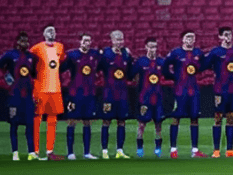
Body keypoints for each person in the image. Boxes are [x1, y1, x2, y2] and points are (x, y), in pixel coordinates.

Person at [164, 30, 208, 159]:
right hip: (180, 90)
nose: (190, 40)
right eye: (187, 37)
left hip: (194, 90)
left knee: (194, 118)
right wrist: (173, 77)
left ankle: (195, 150)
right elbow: (166, 67)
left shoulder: (198, 53)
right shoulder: (176, 53)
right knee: (176, 118)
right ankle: (173, 149)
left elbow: (203, 65)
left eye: (192, 37)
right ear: (182, 39)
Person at [0, 32, 38, 161]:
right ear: (17, 42)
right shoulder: (10, 55)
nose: (24, 43)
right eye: (22, 41)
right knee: (14, 125)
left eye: (26, 41)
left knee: (30, 125)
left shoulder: (32, 57)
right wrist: (7, 79)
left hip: (27, 97)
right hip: (14, 96)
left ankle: (31, 152)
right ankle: (15, 152)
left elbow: (34, 75)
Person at [204, 26, 233, 158]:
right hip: (220, 90)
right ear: (220, 37)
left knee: (231, 118)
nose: (228, 37)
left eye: (230, 34)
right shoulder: (215, 52)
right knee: (218, 118)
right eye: (225, 34)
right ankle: (216, 150)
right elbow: (205, 64)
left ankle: (230, 150)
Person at [29, 25, 66, 160]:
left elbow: (60, 62)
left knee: (52, 120)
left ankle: (50, 151)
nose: (51, 33)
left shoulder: (60, 47)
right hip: (40, 89)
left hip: (55, 89)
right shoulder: (36, 48)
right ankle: (35, 151)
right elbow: (28, 64)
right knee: (37, 119)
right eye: (48, 31)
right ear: (44, 33)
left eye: (53, 31)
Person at [61, 33, 100, 160]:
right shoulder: (72, 55)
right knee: (72, 122)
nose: (87, 43)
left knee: (87, 122)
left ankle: (87, 152)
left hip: (89, 94)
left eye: (89, 40)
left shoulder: (94, 55)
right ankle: (70, 152)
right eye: (84, 40)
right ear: (80, 42)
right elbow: (61, 68)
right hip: (74, 93)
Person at [98, 30, 133, 159]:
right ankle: (105, 150)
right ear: (112, 40)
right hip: (108, 94)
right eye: (117, 39)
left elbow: (130, 73)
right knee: (106, 121)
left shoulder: (126, 54)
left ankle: (120, 150)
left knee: (122, 121)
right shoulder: (106, 53)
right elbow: (97, 68)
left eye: (121, 39)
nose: (119, 42)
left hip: (122, 94)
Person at [131, 36, 166, 157]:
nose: (153, 49)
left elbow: (168, 75)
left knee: (158, 125)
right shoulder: (141, 61)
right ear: (146, 47)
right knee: (141, 124)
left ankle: (158, 149)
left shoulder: (161, 61)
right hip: (144, 98)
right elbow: (131, 74)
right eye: (150, 47)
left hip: (158, 98)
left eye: (155, 47)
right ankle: (140, 149)